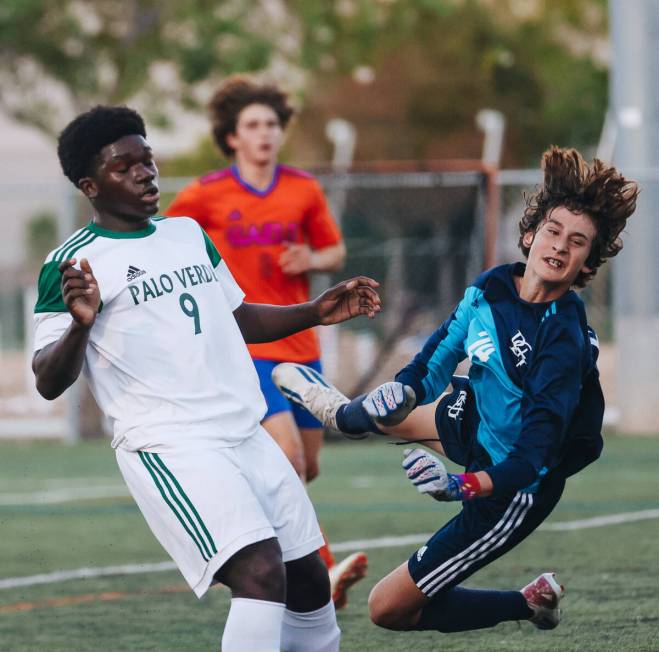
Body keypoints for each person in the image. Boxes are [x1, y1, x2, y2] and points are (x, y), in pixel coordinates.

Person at [32, 105, 381, 651]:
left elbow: (237, 317)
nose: (146, 173)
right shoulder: (71, 264)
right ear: (90, 185)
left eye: (147, 159)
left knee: (309, 580)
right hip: (172, 446)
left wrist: (315, 310)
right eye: (125, 166)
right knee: (261, 574)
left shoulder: (187, 234)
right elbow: (48, 379)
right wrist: (81, 327)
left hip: (245, 431)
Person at [272, 146, 638, 635]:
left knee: (388, 609)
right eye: (553, 231)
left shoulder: (563, 341)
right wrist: (403, 389)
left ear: (587, 263)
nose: (559, 247)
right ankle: (342, 414)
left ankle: (528, 603)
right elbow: (438, 357)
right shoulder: (491, 287)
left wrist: (457, 486)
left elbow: (530, 459)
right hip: (473, 417)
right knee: (377, 413)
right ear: (529, 235)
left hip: (511, 485)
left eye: (577, 242)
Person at [164, 76, 367, 609]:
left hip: (300, 343)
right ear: (232, 137)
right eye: (253, 125)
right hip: (244, 346)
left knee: (307, 466)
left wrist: (311, 259)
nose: (264, 134)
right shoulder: (206, 194)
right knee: (288, 457)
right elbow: (164, 243)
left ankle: (276, 555)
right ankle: (317, 571)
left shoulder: (302, 188)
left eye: (272, 124)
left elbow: (335, 251)